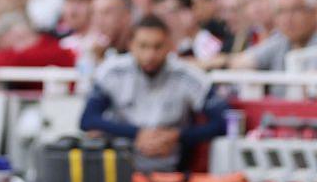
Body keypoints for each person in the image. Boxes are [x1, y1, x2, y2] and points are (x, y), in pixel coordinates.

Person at [80, 16, 228, 173]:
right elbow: (87, 119)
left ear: (170, 45)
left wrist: (176, 136)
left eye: (158, 46)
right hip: (121, 168)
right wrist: (137, 134)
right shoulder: (112, 71)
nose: (150, 55)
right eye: (143, 46)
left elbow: (223, 122)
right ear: (131, 45)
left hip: (173, 169)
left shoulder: (188, 75)